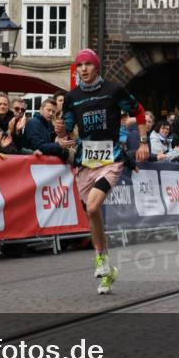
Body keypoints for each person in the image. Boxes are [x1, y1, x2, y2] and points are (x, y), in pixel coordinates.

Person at [62, 49, 148, 295]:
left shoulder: (113, 90)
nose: (84, 69)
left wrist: (143, 142)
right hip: (85, 163)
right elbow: (67, 129)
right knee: (92, 216)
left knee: (92, 207)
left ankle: (100, 260)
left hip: (111, 159)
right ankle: (108, 268)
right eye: (80, 66)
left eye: (88, 64)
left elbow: (139, 111)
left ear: (97, 67)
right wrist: (60, 132)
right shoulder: (72, 97)